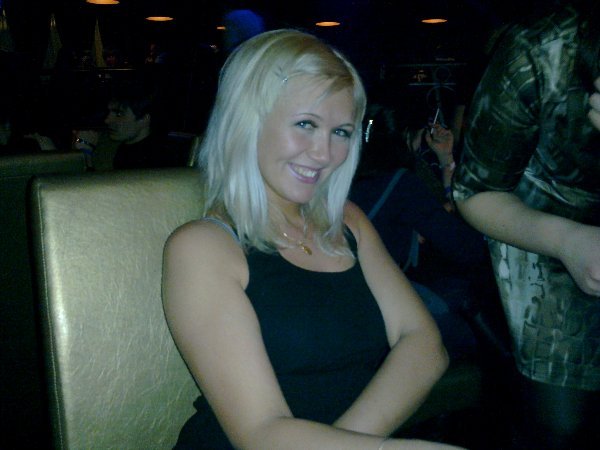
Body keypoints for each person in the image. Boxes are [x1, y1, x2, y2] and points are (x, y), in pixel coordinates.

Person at [162, 29, 464, 450]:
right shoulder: (203, 247)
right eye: (306, 124)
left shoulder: (348, 222)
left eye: (341, 132)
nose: (325, 154)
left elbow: (425, 344)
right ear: (248, 121)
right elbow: (260, 433)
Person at [452, 1, 600, 448]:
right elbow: (474, 190)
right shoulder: (539, 50)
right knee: (561, 427)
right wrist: (568, 240)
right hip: (541, 250)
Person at [351, 104, 492, 361]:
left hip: (351, 296)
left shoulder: (348, 173)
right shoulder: (401, 183)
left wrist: (445, 161)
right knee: (474, 311)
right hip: (375, 305)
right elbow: (467, 249)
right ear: (407, 137)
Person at [72, 80, 189, 170]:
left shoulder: (154, 159)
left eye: (119, 114)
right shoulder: (121, 145)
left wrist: (85, 155)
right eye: (109, 112)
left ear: (144, 119)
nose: (107, 120)